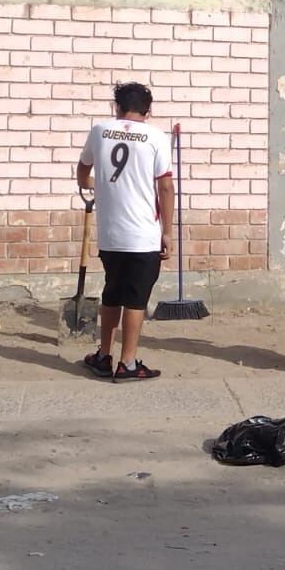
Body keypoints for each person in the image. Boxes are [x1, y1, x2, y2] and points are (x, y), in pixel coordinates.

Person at [76, 82, 174, 382]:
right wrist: (167, 232)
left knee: (112, 293)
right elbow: (166, 186)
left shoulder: (99, 131)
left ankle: (104, 355)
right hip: (143, 234)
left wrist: (97, 186)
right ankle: (128, 363)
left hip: (111, 234)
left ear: (116, 107)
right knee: (136, 299)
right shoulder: (156, 136)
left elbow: (83, 172)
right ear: (149, 109)